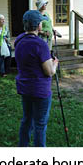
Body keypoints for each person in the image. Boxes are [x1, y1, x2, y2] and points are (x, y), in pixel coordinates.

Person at [14, 10, 58, 146]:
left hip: (25, 88)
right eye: (40, 23)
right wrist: (55, 63)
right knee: (40, 124)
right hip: (40, 91)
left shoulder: (19, 40)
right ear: (38, 26)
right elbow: (49, 72)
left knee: (27, 119)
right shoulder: (41, 44)